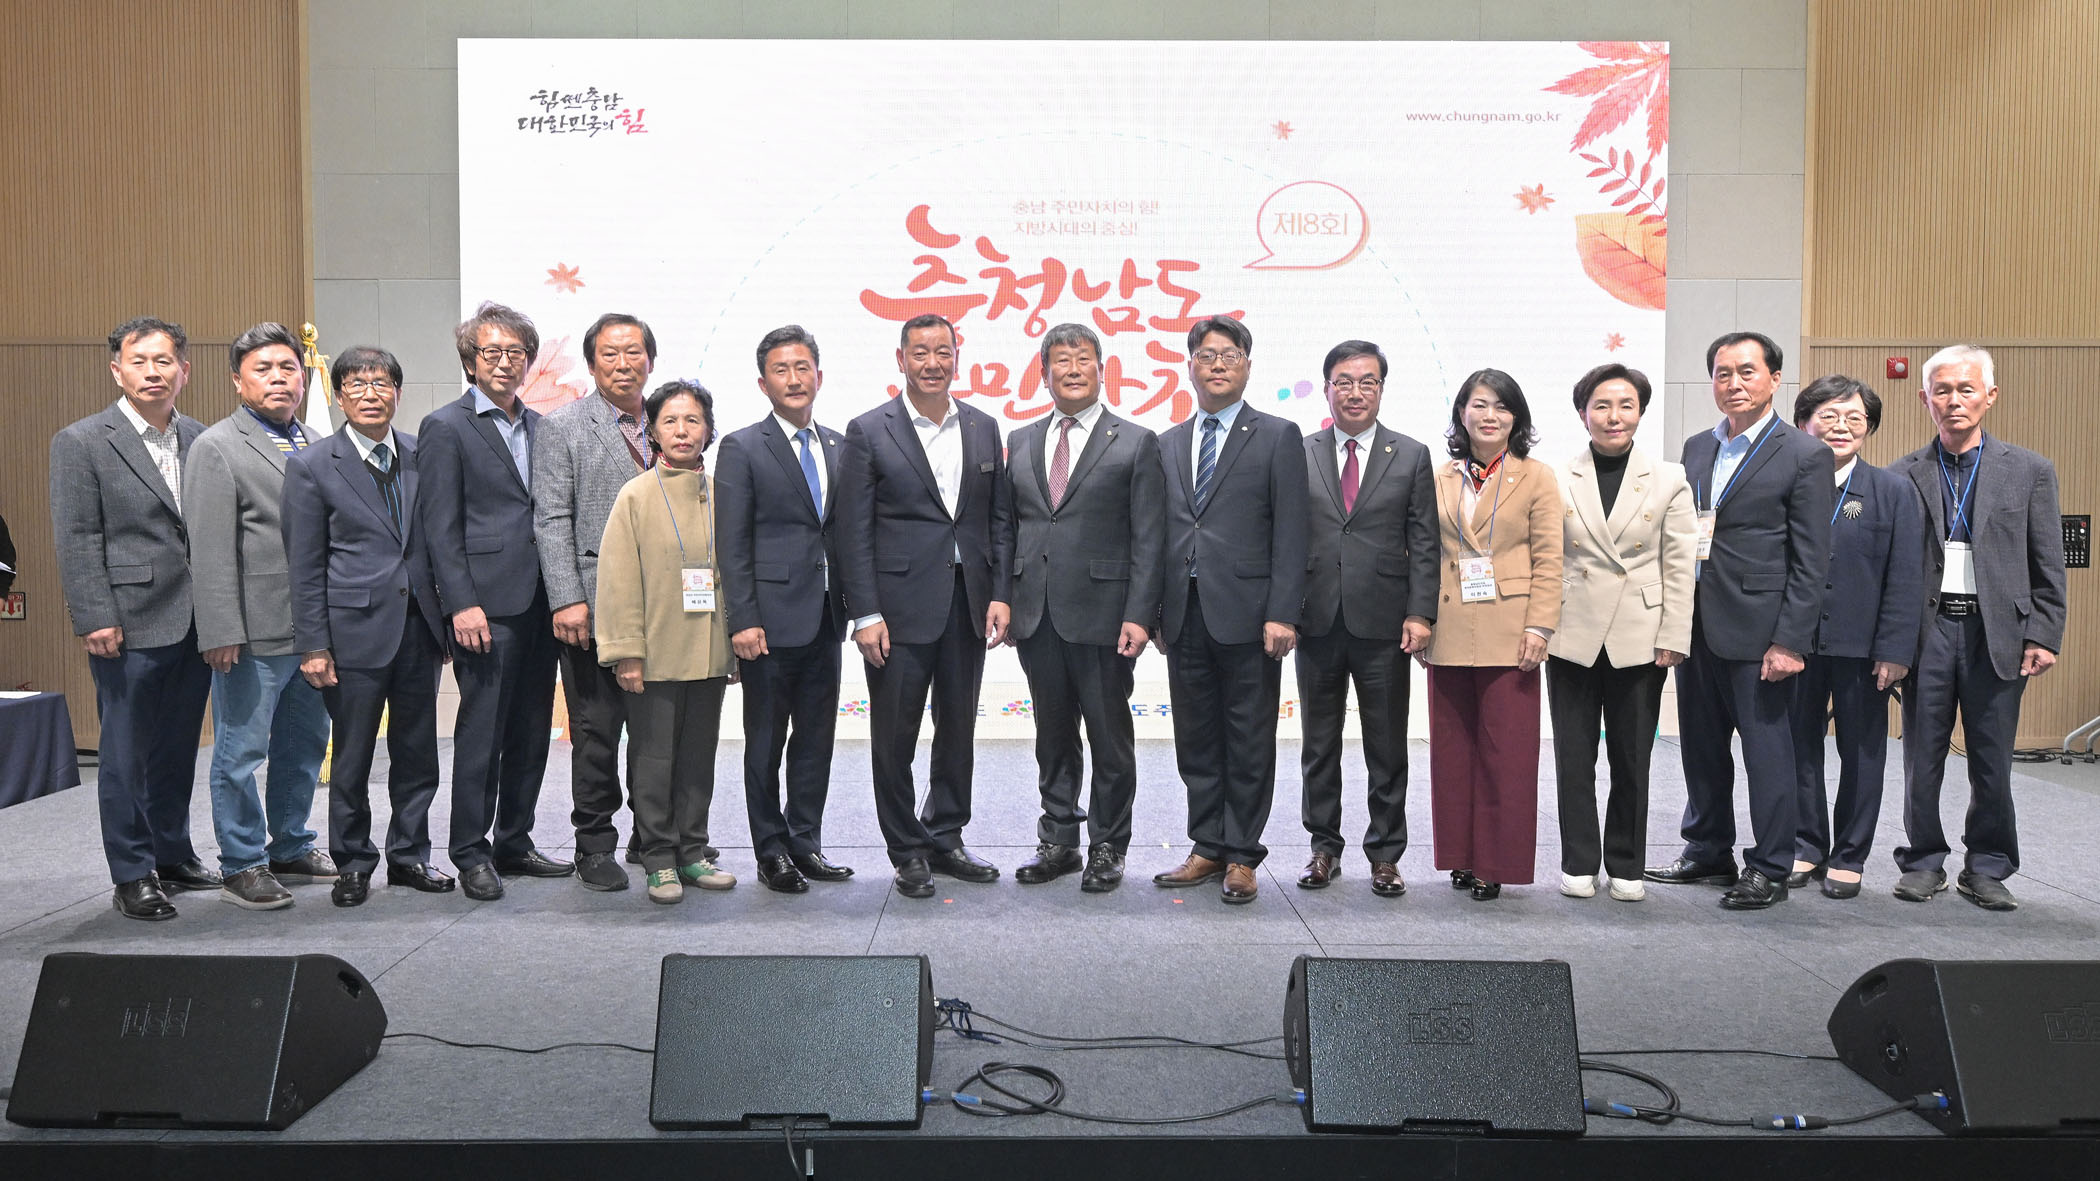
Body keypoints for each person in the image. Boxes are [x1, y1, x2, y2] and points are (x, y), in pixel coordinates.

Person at [1645, 332, 1835, 910]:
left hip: (1762, 631)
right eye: (1723, 373)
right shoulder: (1698, 447)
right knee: (1701, 746)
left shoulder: (1804, 454)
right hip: (1697, 622)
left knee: (1767, 753)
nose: (1734, 384)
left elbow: (1812, 558)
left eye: (1747, 372)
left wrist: (1791, 641)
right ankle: (1707, 848)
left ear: (1775, 379)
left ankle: (1771, 866)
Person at [837, 314, 1013, 899]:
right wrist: (865, 613)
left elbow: (997, 520)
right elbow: (853, 531)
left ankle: (945, 835)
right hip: (896, 611)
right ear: (901, 359)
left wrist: (1000, 593)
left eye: (943, 351)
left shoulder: (984, 426)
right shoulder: (869, 430)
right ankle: (906, 848)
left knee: (958, 727)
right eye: (920, 352)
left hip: (967, 604)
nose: (933, 363)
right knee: (895, 735)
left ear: (957, 357)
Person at [50, 317, 218, 920]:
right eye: (139, 361)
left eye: (164, 361)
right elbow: (77, 536)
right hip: (127, 620)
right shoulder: (82, 441)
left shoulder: (202, 437)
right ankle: (132, 872)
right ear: (117, 370)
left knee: (178, 747)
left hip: (197, 620)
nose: (153, 372)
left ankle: (171, 852)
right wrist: (94, 614)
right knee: (125, 753)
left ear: (184, 371)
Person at [1890, 345, 2065, 911]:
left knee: (1992, 761)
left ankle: (1988, 865)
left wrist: (2044, 633)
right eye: (1942, 390)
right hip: (1929, 631)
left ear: (1990, 396)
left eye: (1966, 389)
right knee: (1922, 758)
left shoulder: (2030, 470)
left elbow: (2047, 560)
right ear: (1925, 399)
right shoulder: (1902, 475)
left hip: (1999, 633)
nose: (1954, 400)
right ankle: (1922, 860)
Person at [282, 346, 453, 907]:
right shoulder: (312, 465)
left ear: (398, 393)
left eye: (381, 384)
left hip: (419, 628)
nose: (370, 394)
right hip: (352, 632)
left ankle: (410, 856)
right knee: (353, 756)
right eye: (357, 385)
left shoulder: (422, 454)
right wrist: (313, 644)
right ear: (338, 397)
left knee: (417, 751)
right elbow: (305, 565)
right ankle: (353, 862)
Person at [1001, 323, 1165, 893]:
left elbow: (1150, 537)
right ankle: (1059, 840)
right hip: (1036, 612)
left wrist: (1140, 613)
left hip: (1105, 615)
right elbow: (1009, 528)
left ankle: (1107, 846)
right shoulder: (1021, 439)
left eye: (1083, 359)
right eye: (1061, 361)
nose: (1072, 370)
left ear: (1102, 368)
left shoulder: (1136, 441)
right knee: (1052, 735)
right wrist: (1005, 597)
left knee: (1108, 737)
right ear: (1043, 373)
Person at [1151, 316, 1309, 905]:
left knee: (1248, 736)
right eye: (1207, 355)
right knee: (1195, 737)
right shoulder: (1167, 442)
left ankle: (1242, 854)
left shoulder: (1277, 435)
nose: (1218, 364)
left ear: (1247, 365)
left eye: (1230, 355)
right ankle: (1207, 846)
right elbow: (1157, 532)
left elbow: (1292, 531)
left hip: (1251, 613)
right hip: (1184, 612)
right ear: (1190, 365)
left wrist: (1283, 612)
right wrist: (1155, 611)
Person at [183, 321, 336, 910]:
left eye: (287, 368)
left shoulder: (315, 440)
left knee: (303, 746)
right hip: (252, 631)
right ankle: (242, 863)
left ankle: (291, 844)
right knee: (241, 752)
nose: (278, 379)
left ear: (303, 378)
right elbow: (209, 549)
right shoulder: (217, 446)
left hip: (314, 631)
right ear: (237, 381)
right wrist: (220, 629)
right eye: (263, 369)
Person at [420, 301, 569, 903]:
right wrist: (460, 603)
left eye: (515, 353)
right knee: (482, 732)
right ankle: (470, 851)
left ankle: (514, 840)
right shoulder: (445, 426)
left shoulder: (542, 426)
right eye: (492, 352)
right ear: (470, 361)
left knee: (532, 730)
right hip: (485, 606)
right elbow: (439, 526)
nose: (505, 362)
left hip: (542, 601)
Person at [535, 313, 679, 892]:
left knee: (657, 733)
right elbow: (551, 518)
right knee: (596, 733)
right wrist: (566, 598)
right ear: (593, 365)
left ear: (651, 360)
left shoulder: (670, 421)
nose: (624, 364)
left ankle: (653, 835)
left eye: (634, 352)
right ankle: (594, 844)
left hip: (665, 610)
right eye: (610, 354)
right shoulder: (563, 426)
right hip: (593, 608)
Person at [1547, 363, 1695, 903]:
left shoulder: (1669, 477)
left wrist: (1674, 633)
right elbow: (1547, 558)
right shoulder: (1556, 476)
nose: (1614, 416)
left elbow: (1678, 563)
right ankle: (1578, 861)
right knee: (1573, 757)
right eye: (1602, 405)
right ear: (1582, 413)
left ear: (1640, 412)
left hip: (1641, 633)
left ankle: (1627, 863)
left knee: (1632, 758)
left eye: (1626, 405)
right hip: (1571, 631)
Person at [1295, 340, 1436, 899]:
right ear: (1327, 388)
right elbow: (1284, 538)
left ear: (1381, 388)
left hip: (1384, 623)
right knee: (1318, 744)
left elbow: (1424, 541)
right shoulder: (1299, 451)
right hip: (1316, 619)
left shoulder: (1411, 454)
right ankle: (1323, 848)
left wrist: (1421, 612)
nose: (1355, 392)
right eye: (1344, 382)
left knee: (1386, 745)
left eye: (1367, 382)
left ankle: (1385, 854)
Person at [715, 326, 853, 894]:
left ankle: (806, 842)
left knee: (816, 739)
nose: (794, 379)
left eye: (803, 368)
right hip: (767, 623)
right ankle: (770, 851)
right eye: (781, 369)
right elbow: (732, 543)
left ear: (819, 375)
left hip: (826, 617)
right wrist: (743, 619)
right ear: (763, 383)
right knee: (766, 743)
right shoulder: (743, 447)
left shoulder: (841, 445)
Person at [593, 380, 738, 904]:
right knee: (654, 761)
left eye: (693, 420)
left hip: (709, 649)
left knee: (698, 758)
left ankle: (693, 852)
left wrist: (735, 643)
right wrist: (626, 652)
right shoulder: (635, 495)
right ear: (652, 431)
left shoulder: (724, 493)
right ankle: (658, 859)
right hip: (652, 653)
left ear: (708, 430)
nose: (682, 430)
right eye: (670, 421)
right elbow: (617, 581)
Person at [1424, 369, 1563, 901]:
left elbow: (1550, 558)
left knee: (1508, 756)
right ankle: (1461, 856)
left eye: (1501, 407)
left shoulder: (1537, 476)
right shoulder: (1440, 476)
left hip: (1513, 631)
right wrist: (1419, 620)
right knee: (1452, 754)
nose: (1490, 416)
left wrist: (1540, 626)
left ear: (1516, 417)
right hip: (1449, 626)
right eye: (1479, 405)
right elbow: (1422, 552)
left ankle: (1496, 862)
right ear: (1461, 413)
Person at [1783, 375, 1924, 900]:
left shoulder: (1892, 490)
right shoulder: (1784, 483)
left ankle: (1849, 855)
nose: (1840, 427)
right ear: (1804, 422)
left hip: (1864, 648)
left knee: (1862, 753)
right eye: (1828, 416)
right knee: (1797, 747)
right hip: (1794, 642)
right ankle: (1805, 844)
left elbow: (1906, 577)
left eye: (1854, 418)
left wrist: (1895, 650)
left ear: (1869, 428)